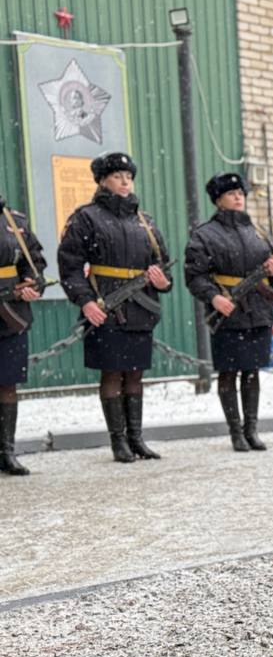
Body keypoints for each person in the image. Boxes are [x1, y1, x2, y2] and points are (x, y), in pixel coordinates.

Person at [58, 152, 172, 464]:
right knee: (112, 374)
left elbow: (162, 265)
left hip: (141, 308)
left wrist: (163, 282)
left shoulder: (144, 221)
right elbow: (69, 267)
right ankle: (118, 442)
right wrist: (85, 301)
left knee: (134, 375)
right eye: (117, 176)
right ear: (102, 181)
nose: (125, 182)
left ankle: (137, 439)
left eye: (129, 177)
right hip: (104, 306)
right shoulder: (85, 218)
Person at [184, 172, 273, 452]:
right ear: (218, 200)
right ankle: (235, 432)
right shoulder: (205, 235)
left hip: (259, 310)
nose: (238, 197)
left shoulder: (258, 232)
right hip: (227, 311)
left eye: (240, 192)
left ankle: (251, 429)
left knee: (252, 372)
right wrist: (214, 297)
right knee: (228, 373)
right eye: (231, 193)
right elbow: (194, 276)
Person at [0, 192, 47, 476]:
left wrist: (32, 282)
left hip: (11, 314)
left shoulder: (14, 220)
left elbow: (34, 260)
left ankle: (6, 452)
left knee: (7, 384)